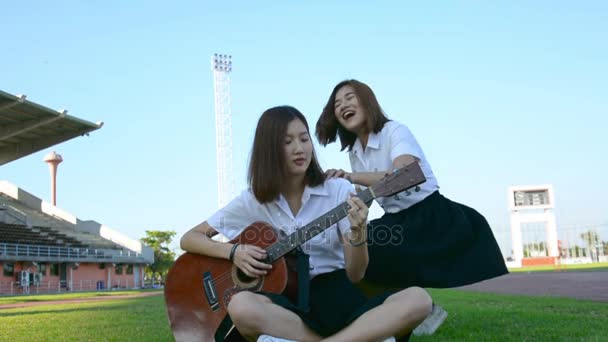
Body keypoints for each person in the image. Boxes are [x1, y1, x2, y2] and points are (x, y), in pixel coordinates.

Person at [181, 106, 432, 342]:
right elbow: (190, 237)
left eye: (304, 138)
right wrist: (234, 252)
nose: (299, 148)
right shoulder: (252, 200)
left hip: (336, 292)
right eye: (287, 142)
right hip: (284, 299)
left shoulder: (337, 189)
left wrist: (357, 231)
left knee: (419, 300)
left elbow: (356, 274)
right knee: (241, 306)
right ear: (268, 150)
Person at [315, 79, 509, 334]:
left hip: (430, 216)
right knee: (351, 252)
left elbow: (406, 174)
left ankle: (417, 309)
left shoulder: (394, 131)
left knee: (367, 250)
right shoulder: (355, 152)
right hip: (396, 220)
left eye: (349, 98)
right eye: (337, 104)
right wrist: (330, 201)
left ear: (367, 100)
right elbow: (366, 199)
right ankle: (416, 310)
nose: (343, 106)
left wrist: (351, 176)